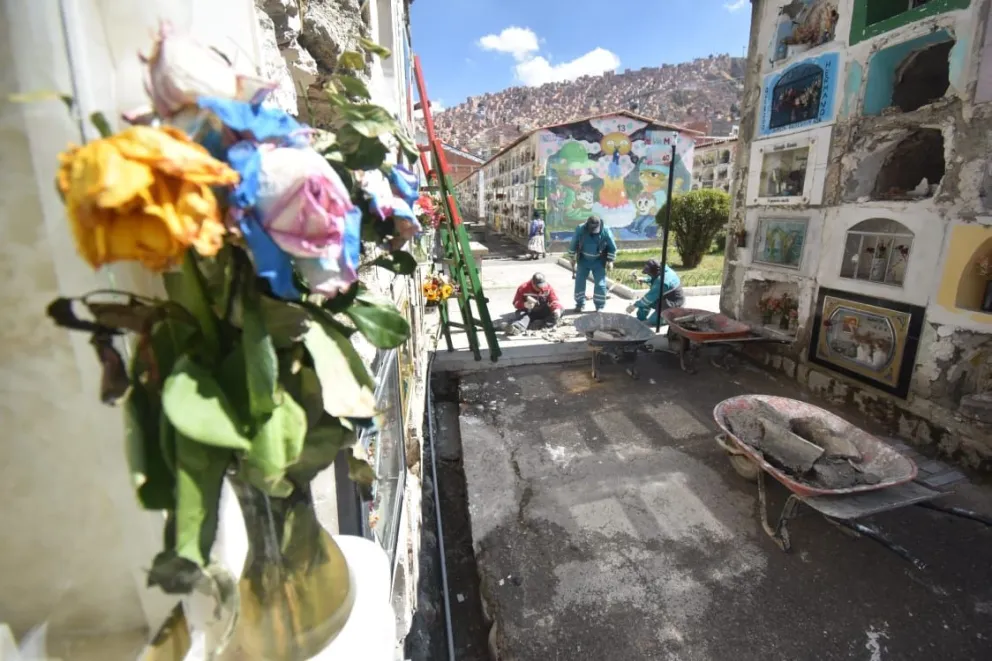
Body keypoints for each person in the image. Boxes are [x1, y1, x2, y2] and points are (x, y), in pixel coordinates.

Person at [565, 215, 617, 313]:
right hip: (583, 260)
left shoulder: (605, 230)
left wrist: (610, 261)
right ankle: (580, 304)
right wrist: (572, 257)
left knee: (600, 284)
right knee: (579, 282)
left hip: (598, 260)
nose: (593, 230)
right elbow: (574, 242)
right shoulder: (580, 229)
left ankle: (599, 306)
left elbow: (612, 246)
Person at [626, 259, 685, 326]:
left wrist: (634, 305)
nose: (648, 275)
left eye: (649, 274)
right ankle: (640, 319)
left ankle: (672, 317)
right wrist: (644, 279)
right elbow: (654, 277)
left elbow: (649, 298)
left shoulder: (663, 281)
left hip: (673, 303)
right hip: (664, 298)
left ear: (655, 271)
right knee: (643, 303)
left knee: (653, 320)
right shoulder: (663, 269)